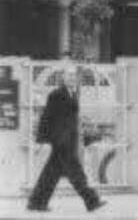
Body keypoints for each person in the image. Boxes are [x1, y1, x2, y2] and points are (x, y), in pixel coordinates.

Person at [26, 64, 106, 213]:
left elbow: (72, 118)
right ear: (63, 77)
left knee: (50, 174)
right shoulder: (56, 94)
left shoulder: (73, 93)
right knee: (76, 172)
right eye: (69, 76)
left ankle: (36, 202)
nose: (71, 78)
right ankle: (92, 201)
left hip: (68, 140)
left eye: (74, 76)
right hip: (62, 142)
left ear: (76, 78)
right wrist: (41, 141)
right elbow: (46, 117)